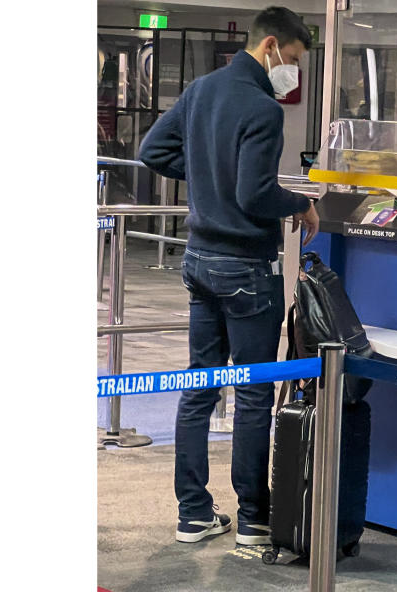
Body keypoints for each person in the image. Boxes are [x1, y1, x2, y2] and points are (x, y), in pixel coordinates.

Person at [139, 6, 318, 546]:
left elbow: (154, 151)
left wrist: (207, 172)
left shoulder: (201, 89)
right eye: (291, 59)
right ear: (269, 47)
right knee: (255, 391)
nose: (291, 70)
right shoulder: (263, 108)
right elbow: (255, 195)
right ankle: (253, 518)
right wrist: (301, 203)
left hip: (197, 261)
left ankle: (192, 513)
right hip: (245, 268)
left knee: (200, 384)